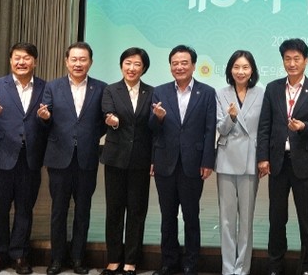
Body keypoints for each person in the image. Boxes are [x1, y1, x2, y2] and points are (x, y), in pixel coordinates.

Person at [257, 38, 308, 275]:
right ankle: (275, 265)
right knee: (277, 218)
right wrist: (263, 157)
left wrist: (303, 127)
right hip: (278, 163)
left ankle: (307, 266)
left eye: (297, 58)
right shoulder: (273, 88)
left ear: (306, 60)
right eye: (287, 59)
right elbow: (264, 126)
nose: (292, 63)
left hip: (306, 164)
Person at [37, 42, 107, 275]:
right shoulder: (52, 86)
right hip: (59, 158)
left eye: (83, 59)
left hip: (87, 158)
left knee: (83, 210)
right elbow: (45, 120)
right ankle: (57, 259)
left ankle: (78, 258)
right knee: (58, 210)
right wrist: (44, 117)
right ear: (66, 61)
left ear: (90, 62)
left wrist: (90, 136)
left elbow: (103, 122)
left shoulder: (101, 88)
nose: (78, 63)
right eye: (74, 59)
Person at [0, 42, 48, 275]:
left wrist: (46, 119)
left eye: (26, 58)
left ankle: (19, 254)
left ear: (35, 62)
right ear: (10, 61)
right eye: (17, 57)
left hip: (30, 159)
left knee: (25, 210)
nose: (21, 62)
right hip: (1, 157)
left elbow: (49, 124)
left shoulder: (45, 87)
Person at [149, 45, 217, 275]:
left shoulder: (206, 92)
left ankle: (190, 263)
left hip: (193, 163)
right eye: (175, 63)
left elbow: (209, 129)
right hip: (165, 162)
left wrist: (208, 161)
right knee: (167, 216)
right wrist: (158, 118)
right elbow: (152, 130)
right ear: (170, 66)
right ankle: (168, 261)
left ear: (193, 66)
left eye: (184, 63)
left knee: (191, 215)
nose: (179, 67)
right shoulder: (159, 92)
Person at [99, 47, 154, 275]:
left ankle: (131, 260)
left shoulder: (151, 92)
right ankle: (113, 259)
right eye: (128, 63)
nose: (132, 68)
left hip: (141, 160)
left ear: (144, 68)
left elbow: (152, 127)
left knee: (137, 211)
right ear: (121, 65)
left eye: (137, 64)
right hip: (115, 159)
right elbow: (107, 112)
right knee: (114, 210)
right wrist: (111, 120)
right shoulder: (111, 90)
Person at [215, 50, 265, 275]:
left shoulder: (262, 93)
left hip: (250, 160)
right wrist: (232, 117)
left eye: (245, 67)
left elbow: (264, 129)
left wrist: (263, 158)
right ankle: (228, 269)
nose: (241, 71)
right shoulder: (220, 93)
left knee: (246, 219)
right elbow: (221, 128)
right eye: (236, 67)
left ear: (252, 70)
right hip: (226, 158)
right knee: (226, 219)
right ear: (230, 69)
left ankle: (242, 269)